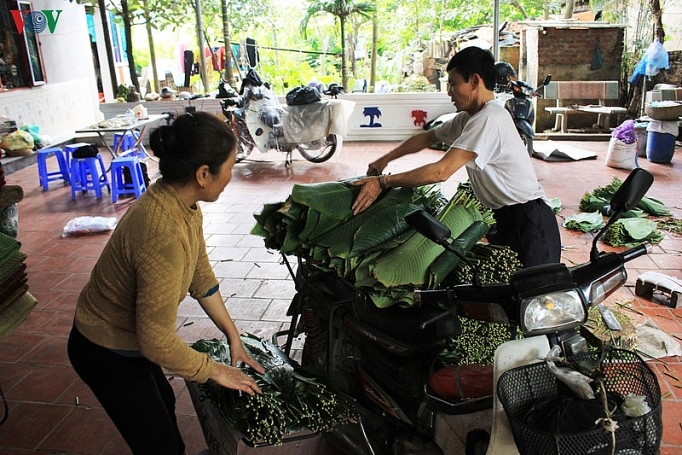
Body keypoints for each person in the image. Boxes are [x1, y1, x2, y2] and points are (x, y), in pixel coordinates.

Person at [67, 111, 265, 455]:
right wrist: (215, 371)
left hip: (129, 340)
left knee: (163, 404)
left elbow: (200, 276)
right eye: (231, 166)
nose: (232, 175)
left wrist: (234, 337)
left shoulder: (184, 204)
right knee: (160, 445)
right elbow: (157, 343)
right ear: (203, 174)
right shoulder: (161, 232)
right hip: (102, 346)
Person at [351, 46, 561, 268]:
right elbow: (427, 138)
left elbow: (441, 172)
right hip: (505, 218)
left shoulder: (490, 118)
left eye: (453, 84)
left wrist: (383, 182)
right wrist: (385, 160)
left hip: (529, 222)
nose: (449, 92)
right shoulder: (468, 118)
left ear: (474, 81)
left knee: (535, 293)